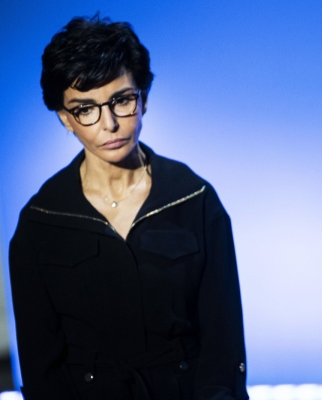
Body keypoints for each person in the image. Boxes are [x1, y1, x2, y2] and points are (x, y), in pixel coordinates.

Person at [9, 15, 248, 400]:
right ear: (65, 119)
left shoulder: (195, 199)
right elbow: (41, 365)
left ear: (144, 98)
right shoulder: (41, 220)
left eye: (121, 100)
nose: (109, 124)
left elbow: (223, 346)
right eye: (86, 108)